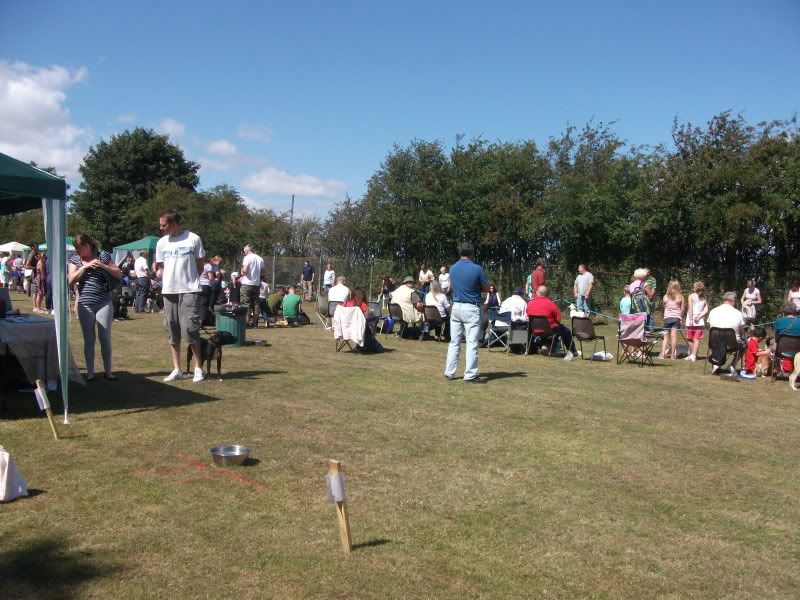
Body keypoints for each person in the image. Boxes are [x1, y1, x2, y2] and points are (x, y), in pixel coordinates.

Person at [155, 209, 207, 383]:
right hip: (168, 291)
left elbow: (200, 266)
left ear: (174, 223)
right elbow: (161, 266)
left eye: (164, 225)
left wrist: (188, 281)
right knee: (172, 331)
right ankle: (177, 369)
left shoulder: (193, 239)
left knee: (190, 329)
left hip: (189, 290)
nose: (161, 228)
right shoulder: (162, 243)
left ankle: (198, 368)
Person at [68, 234, 121, 381]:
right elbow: (71, 280)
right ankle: (90, 373)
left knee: (105, 338)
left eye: (79, 248)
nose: (77, 251)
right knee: (89, 340)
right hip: (85, 303)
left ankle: (108, 372)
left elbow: (118, 273)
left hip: (104, 302)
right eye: (76, 248)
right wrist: (84, 267)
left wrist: (103, 265)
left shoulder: (102, 255)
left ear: (87, 246)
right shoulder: (75, 259)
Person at [444, 243, 490, 383]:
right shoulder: (477, 268)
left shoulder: (452, 268)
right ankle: (470, 375)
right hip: (471, 307)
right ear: (472, 254)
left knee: (454, 342)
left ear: (460, 253)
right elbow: (487, 288)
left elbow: (451, 288)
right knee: (471, 342)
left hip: (456, 306)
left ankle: (449, 373)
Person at [526, 285, 577, 360]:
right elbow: (558, 319)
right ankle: (573, 351)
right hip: (549, 330)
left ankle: (544, 346)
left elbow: (527, 315)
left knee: (551, 333)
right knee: (566, 331)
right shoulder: (552, 304)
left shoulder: (530, 304)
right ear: (547, 294)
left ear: (537, 293)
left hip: (534, 330)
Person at [707, 291, 745, 375]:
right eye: (735, 301)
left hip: (714, 343)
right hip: (731, 344)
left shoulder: (713, 311)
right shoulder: (738, 313)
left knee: (718, 342)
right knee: (744, 344)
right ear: (732, 300)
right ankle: (733, 364)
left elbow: (711, 328)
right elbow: (741, 332)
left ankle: (716, 364)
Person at [344, 287, 383, 352]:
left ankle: (362, 346)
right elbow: (367, 318)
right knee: (372, 321)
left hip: (346, 328)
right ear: (363, 295)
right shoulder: (363, 305)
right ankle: (363, 346)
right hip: (358, 329)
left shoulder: (346, 303)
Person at [240, 244, 265, 327]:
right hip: (256, 284)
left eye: (244, 252)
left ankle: (247, 323)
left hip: (247, 283)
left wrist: (242, 270)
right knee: (256, 303)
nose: (244, 253)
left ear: (247, 251)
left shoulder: (247, 258)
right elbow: (263, 273)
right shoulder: (260, 259)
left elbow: (245, 270)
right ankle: (255, 323)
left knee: (245, 303)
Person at [659, 280, 684, 360]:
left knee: (665, 337)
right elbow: (682, 309)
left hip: (667, 318)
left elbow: (664, 307)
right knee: (674, 337)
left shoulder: (665, 297)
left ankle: (663, 354)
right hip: (676, 318)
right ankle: (673, 355)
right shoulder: (680, 297)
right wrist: (681, 317)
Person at [684, 281, 708, 362]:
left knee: (690, 338)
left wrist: (691, 319)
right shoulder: (704, 297)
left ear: (695, 288)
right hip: (699, 320)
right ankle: (693, 354)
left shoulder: (691, 296)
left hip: (692, 319)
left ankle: (693, 354)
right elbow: (706, 309)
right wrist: (700, 316)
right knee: (695, 338)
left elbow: (690, 308)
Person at [775, 302, 800, 375]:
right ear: (795, 311)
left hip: (781, 351)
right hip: (798, 350)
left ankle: (778, 371)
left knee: (772, 347)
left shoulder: (779, 321)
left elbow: (776, 338)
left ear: (783, 311)